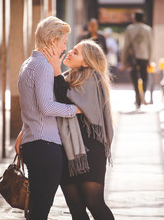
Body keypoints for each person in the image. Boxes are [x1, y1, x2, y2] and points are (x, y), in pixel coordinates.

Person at [15, 16, 79, 220]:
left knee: (36, 208)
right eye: (63, 42)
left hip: (33, 143)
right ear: (53, 40)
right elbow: (46, 106)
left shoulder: (28, 63)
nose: (64, 48)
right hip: (45, 146)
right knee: (41, 209)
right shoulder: (43, 67)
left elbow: (31, 107)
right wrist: (76, 109)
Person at [43, 39, 115, 220]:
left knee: (94, 203)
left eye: (75, 52)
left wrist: (56, 70)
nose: (69, 52)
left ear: (86, 62)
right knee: (76, 209)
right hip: (67, 149)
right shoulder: (68, 77)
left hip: (90, 151)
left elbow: (66, 104)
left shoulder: (92, 78)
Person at [121, 10, 153, 109]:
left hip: (133, 58)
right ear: (143, 18)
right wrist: (150, 60)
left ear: (134, 18)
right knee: (144, 78)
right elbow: (150, 45)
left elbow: (126, 46)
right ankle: (142, 94)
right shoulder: (147, 29)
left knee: (135, 79)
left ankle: (138, 98)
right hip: (144, 56)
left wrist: (123, 60)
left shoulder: (130, 29)